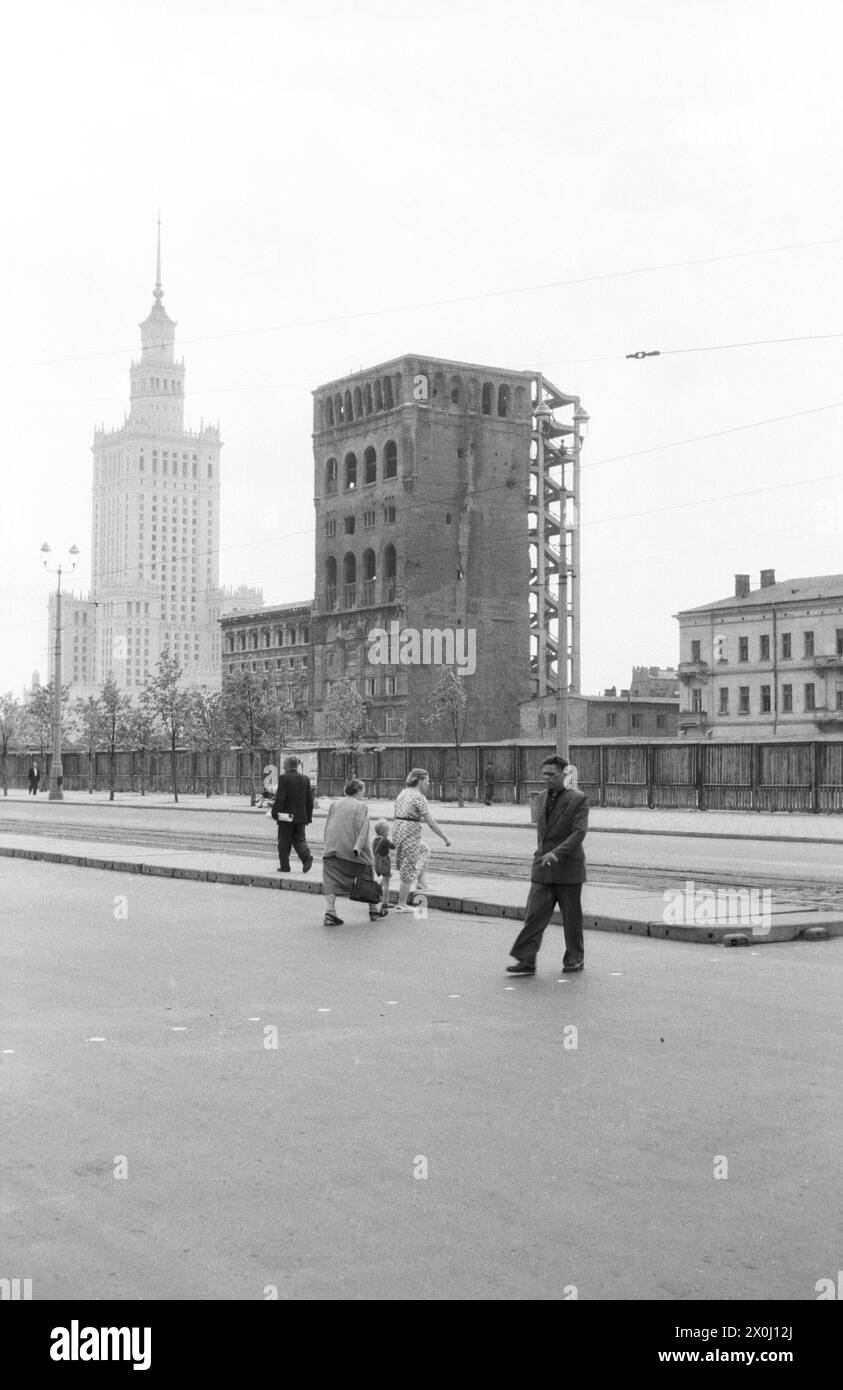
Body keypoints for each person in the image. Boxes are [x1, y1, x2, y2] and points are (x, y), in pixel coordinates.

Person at [506, 754, 588, 976]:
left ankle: (574, 959)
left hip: (568, 868)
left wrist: (556, 853)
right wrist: (542, 855)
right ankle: (526, 959)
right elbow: (543, 833)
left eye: (551, 775)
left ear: (564, 774)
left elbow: (579, 833)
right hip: (542, 867)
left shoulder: (578, 799)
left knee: (572, 918)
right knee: (534, 915)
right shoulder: (541, 798)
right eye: (544, 774)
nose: (547, 778)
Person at [321, 779, 386, 926]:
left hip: (332, 849)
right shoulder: (361, 805)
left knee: (331, 880)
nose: (364, 793)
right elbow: (363, 829)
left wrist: (327, 846)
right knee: (367, 874)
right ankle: (373, 909)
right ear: (358, 791)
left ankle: (330, 912)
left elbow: (328, 825)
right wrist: (358, 848)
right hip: (352, 850)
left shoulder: (335, 804)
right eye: (363, 790)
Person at [391, 767, 451, 913]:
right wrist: (445, 837)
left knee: (424, 849)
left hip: (398, 827)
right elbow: (431, 822)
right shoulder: (419, 797)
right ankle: (402, 903)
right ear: (420, 781)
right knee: (409, 864)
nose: (428, 784)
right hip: (410, 829)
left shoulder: (403, 792)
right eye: (427, 781)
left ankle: (421, 883)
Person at [271, 756, 314, 874]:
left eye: (284, 765)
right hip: (301, 817)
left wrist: (274, 813)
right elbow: (309, 800)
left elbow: (280, 798)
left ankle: (285, 866)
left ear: (289, 765)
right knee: (299, 839)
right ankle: (306, 857)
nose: (283, 767)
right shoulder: (305, 779)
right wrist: (308, 817)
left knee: (284, 842)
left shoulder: (284, 778)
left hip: (286, 817)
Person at [372, 820, 395, 912]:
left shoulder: (374, 840)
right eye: (387, 831)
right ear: (384, 832)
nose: (388, 833)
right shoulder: (384, 840)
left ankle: (377, 888)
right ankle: (385, 903)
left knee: (386, 877)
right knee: (386, 883)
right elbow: (393, 846)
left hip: (377, 863)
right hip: (384, 863)